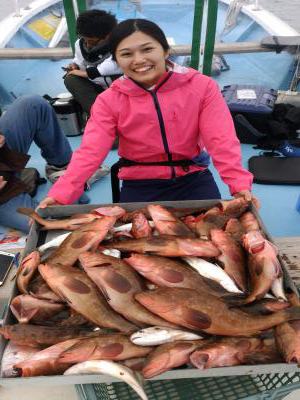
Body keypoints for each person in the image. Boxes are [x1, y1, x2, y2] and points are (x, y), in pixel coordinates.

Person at [39, 18, 256, 210]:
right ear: (115, 60)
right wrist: (59, 195)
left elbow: (221, 139)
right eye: (126, 54)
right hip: (139, 183)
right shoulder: (108, 100)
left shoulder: (202, 86)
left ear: (165, 50)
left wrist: (239, 186)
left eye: (147, 49)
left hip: (193, 177)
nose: (139, 60)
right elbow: (90, 152)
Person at [0, 95, 109, 232]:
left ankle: (61, 165)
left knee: (33, 105)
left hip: (4, 158)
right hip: (3, 194)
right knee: (50, 225)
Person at [64, 9, 123, 114]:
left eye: (91, 41)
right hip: (98, 90)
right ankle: (99, 114)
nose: (87, 44)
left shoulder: (120, 43)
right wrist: (75, 66)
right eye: (84, 39)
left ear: (108, 35)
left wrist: (86, 73)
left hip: (121, 90)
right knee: (71, 79)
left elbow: (115, 65)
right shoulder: (80, 44)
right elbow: (79, 61)